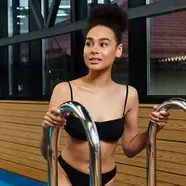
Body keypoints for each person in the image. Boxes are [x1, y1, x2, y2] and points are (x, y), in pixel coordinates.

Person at [39, 4, 171, 186]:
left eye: (103, 44)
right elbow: (48, 152)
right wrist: (47, 128)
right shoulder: (65, 90)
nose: (94, 50)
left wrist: (154, 127)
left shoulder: (128, 95)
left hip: (106, 178)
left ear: (118, 50)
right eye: (89, 43)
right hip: (65, 174)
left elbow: (130, 149)